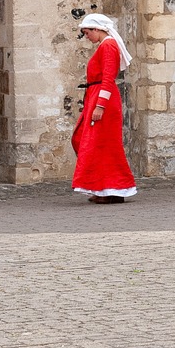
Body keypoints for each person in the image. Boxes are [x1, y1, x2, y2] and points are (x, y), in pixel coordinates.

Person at [72, 13, 137, 204]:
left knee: (102, 144)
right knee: (93, 142)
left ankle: (111, 189)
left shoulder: (108, 45)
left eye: (87, 33)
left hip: (103, 100)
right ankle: (105, 188)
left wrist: (100, 105)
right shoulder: (105, 46)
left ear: (97, 30)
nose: (87, 37)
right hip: (97, 97)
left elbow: (109, 78)